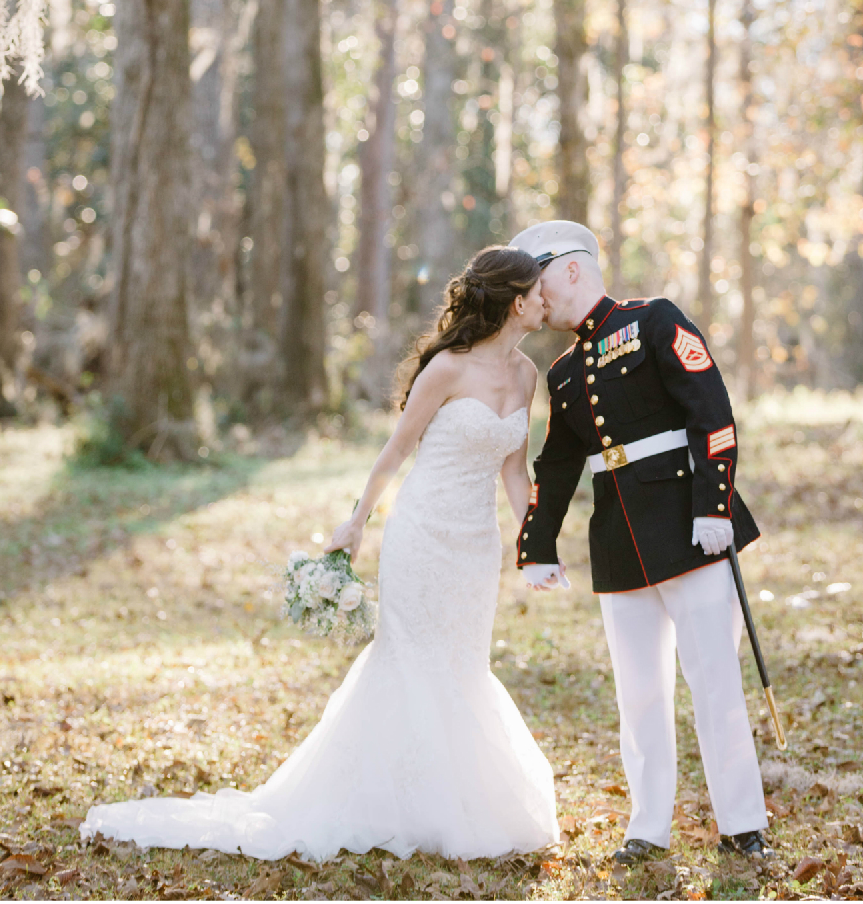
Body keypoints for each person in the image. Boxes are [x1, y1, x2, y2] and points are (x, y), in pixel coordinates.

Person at [80, 248, 560, 862]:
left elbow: (514, 472)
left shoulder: (527, 376)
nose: (549, 301)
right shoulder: (448, 368)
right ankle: (388, 805)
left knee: (462, 663)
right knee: (408, 659)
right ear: (517, 300)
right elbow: (395, 453)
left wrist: (535, 543)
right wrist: (356, 522)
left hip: (474, 545)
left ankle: (452, 802)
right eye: (540, 291)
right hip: (421, 535)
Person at [511, 219, 768, 869]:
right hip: (618, 545)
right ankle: (647, 827)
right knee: (640, 694)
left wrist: (714, 507)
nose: (534, 299)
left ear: (571, 268)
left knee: (713, 681)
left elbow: (712, 413)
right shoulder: (564, 373)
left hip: (690, 529)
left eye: (538, 280)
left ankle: (742, 824)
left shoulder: (654, 321)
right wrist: (537, 546)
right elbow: (559, 466)